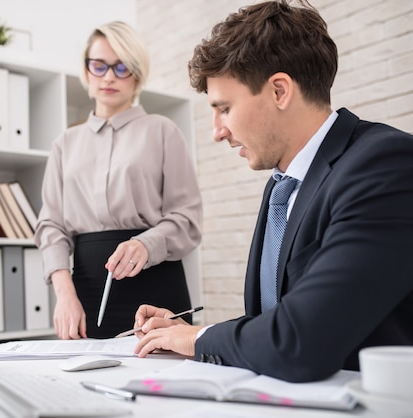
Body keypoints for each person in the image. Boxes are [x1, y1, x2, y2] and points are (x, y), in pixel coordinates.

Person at [132, 0, 413, 383]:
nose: (217, 131)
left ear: (279, 91)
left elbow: (301, 341)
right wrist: (183, 334)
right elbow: (278, 319)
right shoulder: (281, 186)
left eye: (225, 108)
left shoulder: (385, 165)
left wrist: (197, 338)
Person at [34, 21, 203, 340]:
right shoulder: (65, 143)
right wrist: (64, 295)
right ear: (86, 72)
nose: (109, 76)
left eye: (121, 67)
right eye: (99, 66)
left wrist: (147, 243)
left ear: (137, 74)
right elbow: (51, 226)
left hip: (157, 288)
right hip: (86, 292)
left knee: (163, 381)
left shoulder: (163, 131)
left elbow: (188, 219)